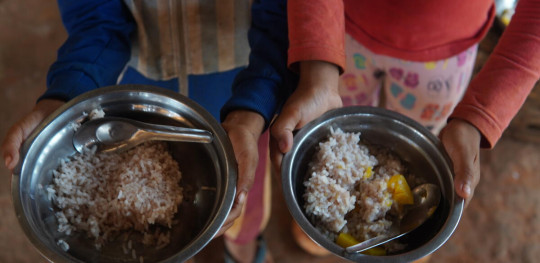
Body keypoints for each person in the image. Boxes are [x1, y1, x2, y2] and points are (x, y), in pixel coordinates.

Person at [1, 0, 293, 262]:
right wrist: (65, 97)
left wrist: (252, 110)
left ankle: (242, 243)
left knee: (244, 187)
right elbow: (95, 22)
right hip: (135, 80)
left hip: (239, 82)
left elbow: (279, 22)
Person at [265, 0, 540, 257]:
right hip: (340, 32)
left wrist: (480, 116)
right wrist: (318, 74)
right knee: (342, 126)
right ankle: (330, 221)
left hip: (444, 57)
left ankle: (410, 229)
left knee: (429, 134)